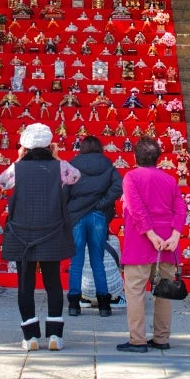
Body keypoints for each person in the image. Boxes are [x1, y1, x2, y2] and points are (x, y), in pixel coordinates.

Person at [0, 122, 79, 350]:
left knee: (25, 284)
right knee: (53, 282)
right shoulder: (60, 167)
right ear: (50, 145)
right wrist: (56, 158)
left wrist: (18, 159)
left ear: (24, 147)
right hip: (51, 230)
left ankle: (30, 336)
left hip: (22, 232)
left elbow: (2, 183)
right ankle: (55, 335)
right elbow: (75, 177)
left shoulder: (17, 168)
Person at [118, 136, 186, 354]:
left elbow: (136, 209)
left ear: (135, 156)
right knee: (164, 292)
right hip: (168, 241)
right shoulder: (169, 180)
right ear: (158, 158)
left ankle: (137, 339)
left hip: (140, 241)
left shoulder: (131, 177)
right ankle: (161, 338)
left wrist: (149, 234)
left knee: (135, 291)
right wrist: (176, 234)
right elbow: (180, 208)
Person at [66, 135, 124, 318]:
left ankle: (74, 305)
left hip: (76, 215)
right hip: (98, 216)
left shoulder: (73, 164)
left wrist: (69, 209)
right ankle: (104, 306)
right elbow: (119, 186)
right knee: (97, 261)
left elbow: (64, 191)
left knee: (76, 261)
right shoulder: (107, 164)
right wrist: (102, 202)